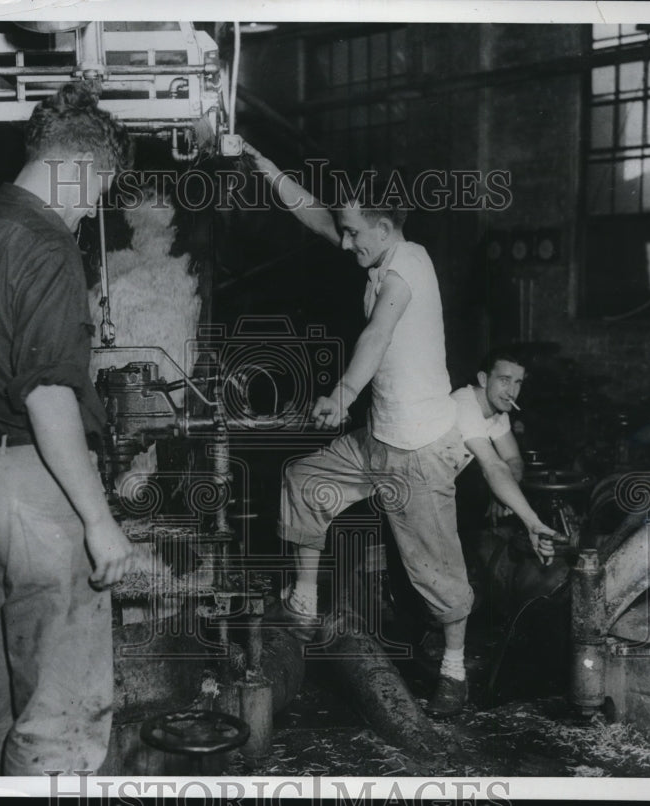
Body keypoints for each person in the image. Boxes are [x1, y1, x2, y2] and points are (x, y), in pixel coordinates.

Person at [0, 83, 136, 775]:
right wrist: (99, 520)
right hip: (34, 488)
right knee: (58, 725)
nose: (93, 208)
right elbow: (49, 394)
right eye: (97, 188)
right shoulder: (48, 244)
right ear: (75, 167)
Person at [244, 142, 476, 716]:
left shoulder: (408, 266)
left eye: (353, 234)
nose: (345, 243)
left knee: (437, 572)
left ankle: (455, 669)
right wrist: (264, 167)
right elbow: (314, 214)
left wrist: (344, 393)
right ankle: (304, 602)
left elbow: (377, 334)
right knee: (303, 480)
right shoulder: (375, 250)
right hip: (378, 438)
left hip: (418, 449)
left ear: (384, 226)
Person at [450, 349, 558, 565]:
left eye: (518, 382)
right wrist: (532, 522)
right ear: (483, 379)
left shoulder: (498, 412)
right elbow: (493, 466)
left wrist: (501, 495)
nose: (512, 392)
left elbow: (513, 460)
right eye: (504, 380)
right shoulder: (464, 403)